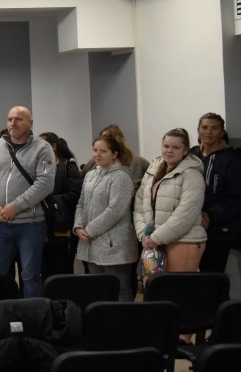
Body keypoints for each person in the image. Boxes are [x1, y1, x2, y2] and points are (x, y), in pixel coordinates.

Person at [0, 105, 56, 298]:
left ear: (31, 123)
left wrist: (16, 206)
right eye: (10, 119)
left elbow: (45, 184)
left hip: (30, 225)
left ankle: (31, 314)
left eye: (19, 119)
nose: (13, 123)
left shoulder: (42, 148)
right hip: (0, 225)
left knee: (30, 276)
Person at [74, 134, 140, 301]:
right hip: (90, 242)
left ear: (114, 154)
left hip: (114, 244)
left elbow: (115, 210)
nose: (97, 154)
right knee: (98, 289)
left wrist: (90, 230)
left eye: (103, 151)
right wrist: (79, 226)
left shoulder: (121, 176)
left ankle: (123, 318)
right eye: (95, 150)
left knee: (119, 289)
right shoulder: (90, 175)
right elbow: (81, 203)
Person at [134, 128, 207, 273]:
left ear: (185, 150)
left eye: (176, 147)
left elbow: (185, 214)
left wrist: (156, 238)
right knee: (153, 284)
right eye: (166, 146)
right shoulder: (153, 170)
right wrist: (143, 234)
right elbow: (140, 204)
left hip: (184, 240)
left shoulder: (192, 174)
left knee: (177, 286)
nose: (169, 151)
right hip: (152, 241)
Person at [192, 113, 241, 298]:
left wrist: (211, 215)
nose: (209, 132)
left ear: (221, 131)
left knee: (216, 282)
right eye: (205, 127)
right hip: (191, 228)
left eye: (214, 128)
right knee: (196, 282)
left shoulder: (232, 159)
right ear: (198, 130)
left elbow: (237, 199)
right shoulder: (192, 156)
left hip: (220, 232)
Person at [38, 132, 83, 280]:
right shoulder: (36, 167)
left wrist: (51, 202)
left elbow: (75, 193)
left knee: (63, 271)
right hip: (41, 227)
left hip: (62, 227)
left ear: (54, 146)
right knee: (44, 271)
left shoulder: (68, 166)